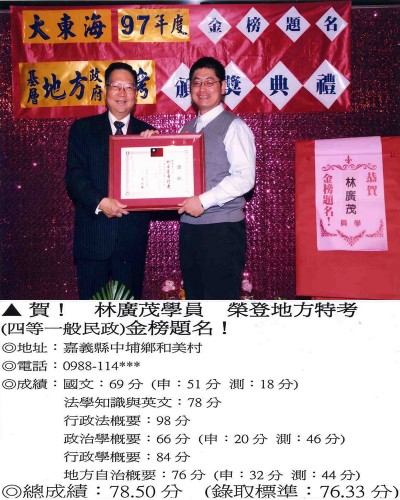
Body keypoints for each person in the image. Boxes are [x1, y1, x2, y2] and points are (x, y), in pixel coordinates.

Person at [66, 62, 158, 299]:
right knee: (92, 312)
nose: (122, 93)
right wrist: (100, 202)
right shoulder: (83, 129)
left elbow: (159, 183)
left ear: (136, 94)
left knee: (127, 312)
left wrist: (157, 148)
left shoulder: (148, 133)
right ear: (105, 90)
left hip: (130, 242)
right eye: (116, 86)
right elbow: (74, 178)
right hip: (93, 238)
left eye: (128, 87)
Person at [178, 57, 256, 299]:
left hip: (221, 230)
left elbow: (244, 178)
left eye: (209, 82)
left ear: (223, 87)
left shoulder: (234, 126)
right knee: (195, 299)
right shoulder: (186, 130)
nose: (202, 88)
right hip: (190, 228)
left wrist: (203, 201)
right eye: (196, 82)